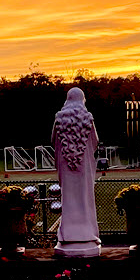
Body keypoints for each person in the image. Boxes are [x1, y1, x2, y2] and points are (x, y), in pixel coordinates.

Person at [52, 88, 101, 258]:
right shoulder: (87, 118)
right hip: (83, 168)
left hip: (66, 168)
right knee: (84, 198)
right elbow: (95, 141)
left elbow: (53, 141)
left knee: (68, 198)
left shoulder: (59, 118)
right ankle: (86, 234)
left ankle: (68, 235)